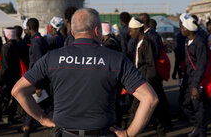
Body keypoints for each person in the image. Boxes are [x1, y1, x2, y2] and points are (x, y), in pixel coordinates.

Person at [12, 8, 158, 137]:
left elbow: (18, 90)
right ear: (96, 31)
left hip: (65, 132)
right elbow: (150, 98)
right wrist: (128, 133)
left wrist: (42, 119)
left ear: (72, 32)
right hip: (102, 132)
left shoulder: (52, 57)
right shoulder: (116, 59)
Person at [179, 16, 207, 137]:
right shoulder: (187, 41)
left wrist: (196, 85)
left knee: (198, 107)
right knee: (184, 103)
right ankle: (197, 125)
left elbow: (201, 65)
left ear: (189, 29)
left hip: (196, 80)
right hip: (188, 78)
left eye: (183, 27)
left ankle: (202, 132)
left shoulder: (199, 43)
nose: (181, 29)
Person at [0, 27, 21, 129]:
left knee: (2, 100)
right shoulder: (19, 45)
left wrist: (0, 82)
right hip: (17, 77)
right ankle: (11, 117)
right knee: (14, 99)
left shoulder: (6, 48)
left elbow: (4, 67)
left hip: (8, 79)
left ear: (6, 36)